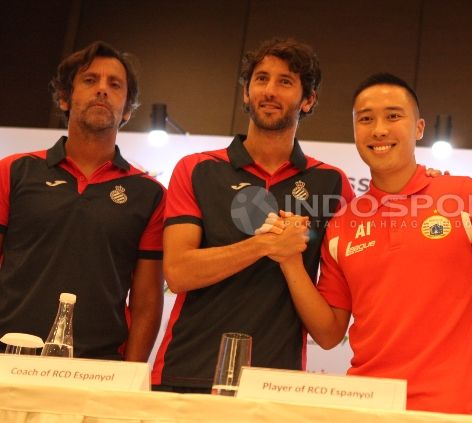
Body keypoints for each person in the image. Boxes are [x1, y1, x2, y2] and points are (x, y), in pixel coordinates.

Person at [274, 73, 472, 415]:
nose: (379, 130)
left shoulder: (468, 196)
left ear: (418, 128)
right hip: (364, 408)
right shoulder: (343, 223)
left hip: (448, 410)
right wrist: (289, 262)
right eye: (366, 119)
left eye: (393, 116)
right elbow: (329, 334)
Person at [150, 38, 354, 393]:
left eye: (285, 82)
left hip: (275, 386)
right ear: (246, 93)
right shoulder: (197, 168)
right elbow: (178, 272)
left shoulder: (332, 183)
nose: (269, 91)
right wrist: (265, 245)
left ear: (309, 99)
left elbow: (329, 332)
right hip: (186, 373)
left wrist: (288, 257)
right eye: (261, 79)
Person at [0, 41, 165, 361]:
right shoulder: (14, 171)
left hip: (98, 369)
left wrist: (128, 380)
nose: (102, 90)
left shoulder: (149, 193)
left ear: (128, 109)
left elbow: (146, 304)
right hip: (7, 357)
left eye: (115, 84)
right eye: (90, 80)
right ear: (64, 98)